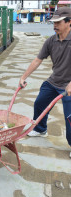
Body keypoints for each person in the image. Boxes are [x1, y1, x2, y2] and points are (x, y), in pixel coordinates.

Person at [19, 7, 71, 156]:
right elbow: (38, 60)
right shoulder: (51, 41)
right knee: (40, 103)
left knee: (70, 118)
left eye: (58, 22)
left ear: (69, 22)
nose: (54, 25)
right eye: (53, 22)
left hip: (69, 86)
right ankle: (41, 129)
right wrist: (23, 77)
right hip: (54, 81)